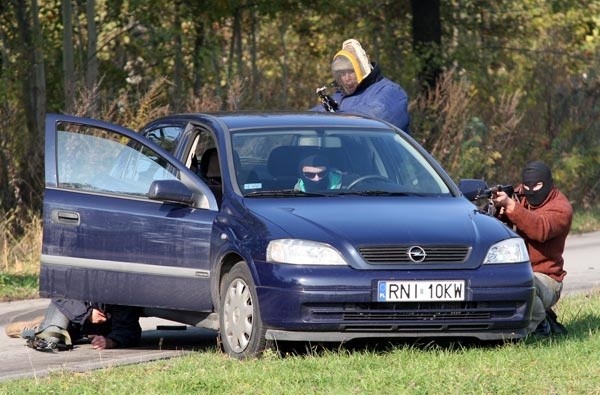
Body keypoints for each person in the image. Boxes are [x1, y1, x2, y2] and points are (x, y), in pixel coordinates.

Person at [492, 160, 573, 336]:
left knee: (524, 283)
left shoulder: (561, 208)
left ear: (549, 183)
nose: (531, 190)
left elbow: (540, 229)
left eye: (537, 185)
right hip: (519, 270)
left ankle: (539, 326)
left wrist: (512, 207)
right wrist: (498, 210)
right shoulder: (520, 194)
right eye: (527, 185)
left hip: (548, 279)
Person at [312, 39, 410, 133]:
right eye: (342, 73)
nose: (346, 78)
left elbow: (375, 118)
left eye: (351, 71)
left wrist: (334, 116)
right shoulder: (339, 97)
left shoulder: (389, 91)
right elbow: (310, 117)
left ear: (362, 68)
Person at [14, 298, 141, 351]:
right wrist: (87, 314)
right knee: (50, 339)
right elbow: (59, 293)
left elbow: (129, 329)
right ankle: (35, 328)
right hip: (71, 313)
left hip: (101, 325)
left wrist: (112, 342)